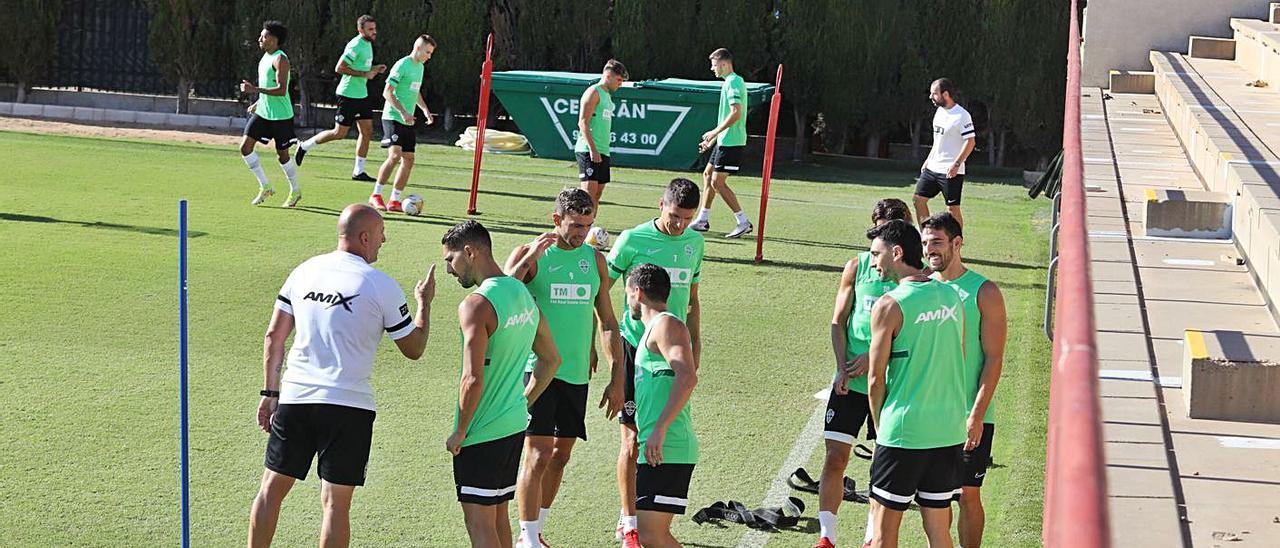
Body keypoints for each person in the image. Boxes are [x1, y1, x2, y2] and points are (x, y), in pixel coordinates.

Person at [248, 203, 434, 548]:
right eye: (380, 234)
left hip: (297, 398)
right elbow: (414, 348)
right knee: (335, 505)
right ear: (364, 237)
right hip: (349, 406)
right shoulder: (382, 286)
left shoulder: (303, 272)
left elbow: (274, 336)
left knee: (270, 491)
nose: (384, 240)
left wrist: (269, 393)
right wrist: (424, 303)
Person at [503, 189, 627, 547]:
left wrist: (616, 376)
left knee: (560, 454)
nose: (581, 233)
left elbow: (607, 321)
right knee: (538, 452)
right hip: (536, 368)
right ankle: (526, 539)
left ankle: (535, 529)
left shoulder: (595, 260)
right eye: (575, 225)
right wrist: (525, 260)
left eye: (587, 225)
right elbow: (501, 294)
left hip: (575, 373)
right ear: (556, 219)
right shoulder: (533, 256)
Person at [441, 220, 562, 548]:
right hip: (512, 426)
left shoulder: (476, 305)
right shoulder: (522, 294)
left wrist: (460, 431)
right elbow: (551, 360)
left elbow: (472, 378)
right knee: (498, 518)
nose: (450, 270)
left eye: (451, 260)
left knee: (479, 524)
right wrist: (523, 401)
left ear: (469, 251)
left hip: (482, 431)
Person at [605, 178, 704, 547]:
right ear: (661, 204)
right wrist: (613, 359)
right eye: (675, 216)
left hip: (673, 344)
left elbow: (693, 299)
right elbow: (603, 290)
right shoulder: (633, 239)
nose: (680, 225)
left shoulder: (695, 243)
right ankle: (629, 516)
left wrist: (696, 344)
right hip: (637, 347)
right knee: (631, 439)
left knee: (664, 426)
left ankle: (644, 519)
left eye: (688, 219)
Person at [813, 199, 913, 548]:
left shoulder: (915, 278)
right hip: (850, 384)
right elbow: (838, 321)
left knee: (882, 464)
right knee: (835, 456)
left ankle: (873, 534)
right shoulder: (857, 266)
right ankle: (827, 536)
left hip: (891, 384)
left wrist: (875, 359)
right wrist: (842, 366)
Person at [865, 219, 969, 548]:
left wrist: (882, 430)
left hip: (904, 432)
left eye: (876, 254)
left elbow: (874, 378)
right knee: (939, 532)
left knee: (883, 533)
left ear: (896, 253)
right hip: (949, 430)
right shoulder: (952, 296)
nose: (872, 262)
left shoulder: (889, 305)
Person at [921, 213, 1006, 548]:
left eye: (937, 242)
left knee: (968, 494)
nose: (930, 250)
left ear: (957, 243)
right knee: (934, 498)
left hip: (970, 413)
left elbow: (994, 358)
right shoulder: (919, 287)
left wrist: (977, 414)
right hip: (930, 413)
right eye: (926, 243)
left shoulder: (984, 292)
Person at [627, 264, 699, 548]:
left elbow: (687, 376)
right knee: (650, 535)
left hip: (668, 447)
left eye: (628, 294)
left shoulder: (667, 325)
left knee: (652, 535)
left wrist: (659, 428)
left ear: (638, 292)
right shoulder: (651, 331)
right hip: (657, 447)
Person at [294, 15, 387, 182]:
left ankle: (359, 171)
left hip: (362, 95)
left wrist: (374, 69)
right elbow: (340, 67)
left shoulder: (367, 44)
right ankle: (304, 146)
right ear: (361, 30)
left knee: (367, 132)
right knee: (339, 133)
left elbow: (360, 67)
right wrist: (365, 73)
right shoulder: (356, 44)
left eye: (375, 28)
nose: (374, 32)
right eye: (370, 29)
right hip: (348, 95)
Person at [690, 48, 753, 239]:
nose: (712, 68)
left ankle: (743, 222)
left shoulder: (734, 81)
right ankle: (702, 219)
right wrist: (713, 140)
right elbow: (728, 115)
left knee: (718, 182)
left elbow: (736, 113)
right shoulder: (728, 83)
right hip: (724, 140)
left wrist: (714, 132)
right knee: (708, 175)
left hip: (732, 142)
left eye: (714, 64)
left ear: (724, 64)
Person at [370, 35, 436, 213]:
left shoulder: (420, 67)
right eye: (428, 52)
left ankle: (394, 200)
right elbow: (387, 92)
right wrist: (403, 112)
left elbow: (415, 91)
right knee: (395, 155)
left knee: (409, 159)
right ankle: (376, 195)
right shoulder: (402, 65)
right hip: (393, 116)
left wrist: (424, 110)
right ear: (418, 48)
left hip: (407, 119)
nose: (429, 56)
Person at [239, 21, 301, 208]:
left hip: (281, 116)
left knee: (282, 155)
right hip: (264, 113)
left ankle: (295, 190)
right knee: (245, 147)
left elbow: (281, 90)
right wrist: (258, 102)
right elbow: (269, 84)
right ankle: (265, 186)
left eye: (264, 36)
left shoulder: (281, 59)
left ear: (274, 40)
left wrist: (254, 90)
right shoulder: (265, 58)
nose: (260, 39)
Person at [913, 78, 976, 228]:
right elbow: (938, 141)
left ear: (945, 94)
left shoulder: (962, 115)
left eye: (934, 94)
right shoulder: (939, 112)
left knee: (952, 209)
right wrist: (928, 160)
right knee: (918, 200)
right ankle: (926, 238)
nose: (930, 97)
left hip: (951, 171)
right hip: (933, 168)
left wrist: (956, 165)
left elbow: (970, 142)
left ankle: (956, 244)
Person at [576, 60, 628, 215]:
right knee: (587, 196)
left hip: (603, 150)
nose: (620, 84)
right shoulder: (594, 92)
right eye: (619, 80)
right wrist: (593, 149)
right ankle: (575, 227)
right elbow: (583, 122)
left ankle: (590, 229)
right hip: (589, 149)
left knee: (597, 195)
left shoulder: (607, 96)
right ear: (608, 75)